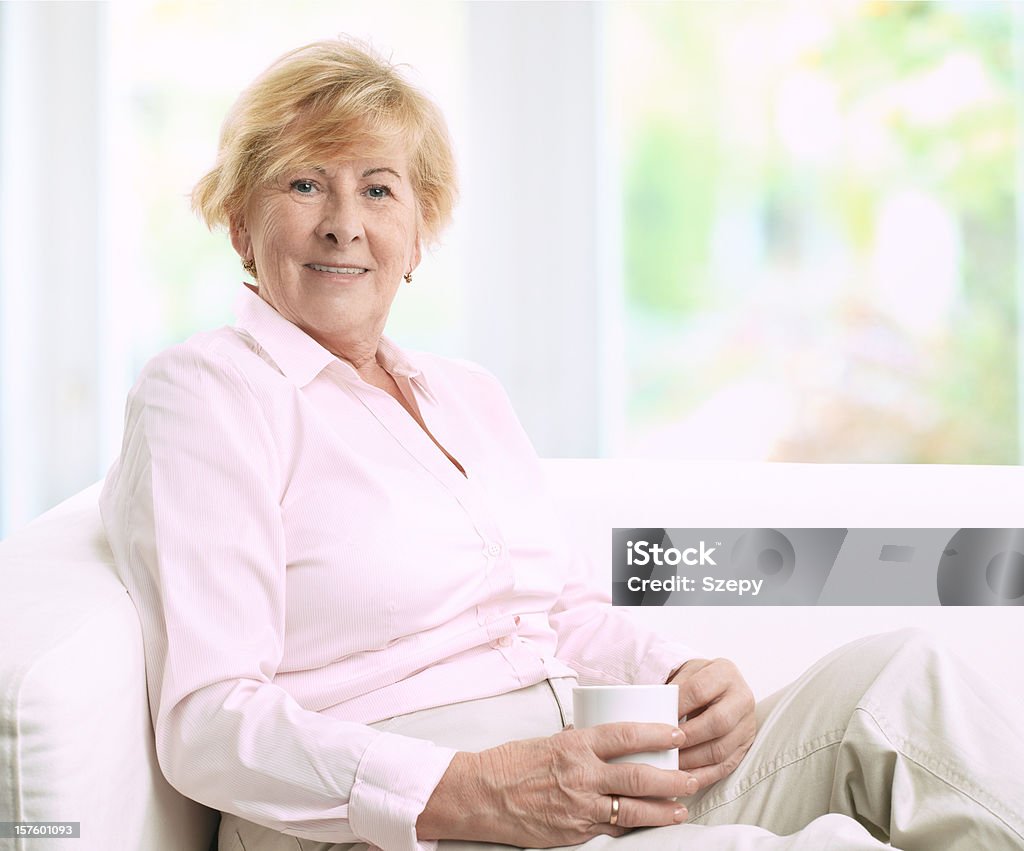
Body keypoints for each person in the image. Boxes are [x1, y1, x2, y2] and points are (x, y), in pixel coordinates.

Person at [99, 38, 1024, 851]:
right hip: (398, 827)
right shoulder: (208, 393)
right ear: (238, 223)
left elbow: (562, 610)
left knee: (904, 682)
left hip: (590, 775)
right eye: (305, 184)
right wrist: (468, 788)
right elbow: (210, 723)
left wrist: (674, 671)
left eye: (378, 189)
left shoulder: (466, 396)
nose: (345, 221)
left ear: (417, 233)